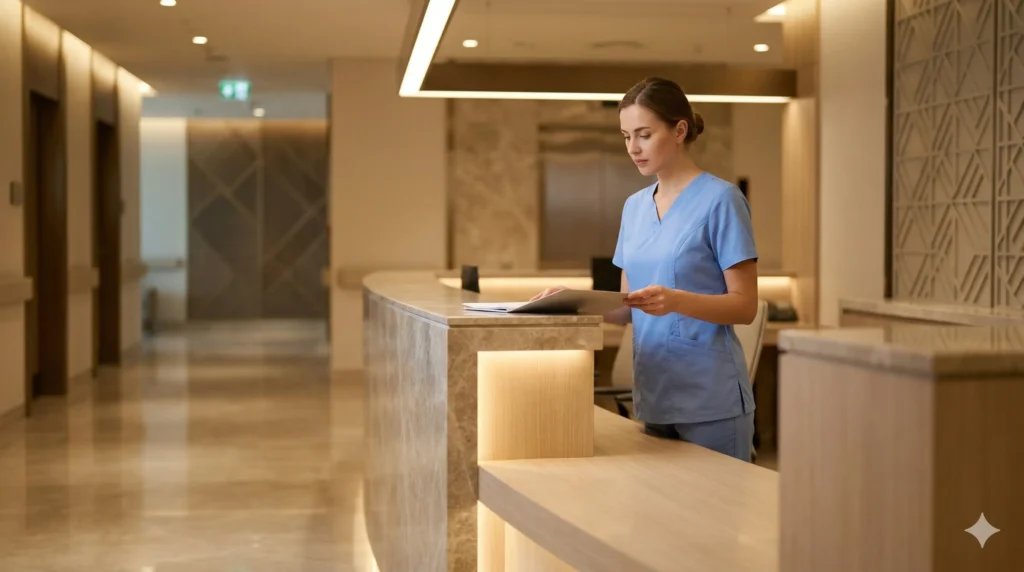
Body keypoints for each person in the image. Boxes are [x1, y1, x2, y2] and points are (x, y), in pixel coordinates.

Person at [531, 77, 760, 462]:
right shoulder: (634, 207)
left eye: (644, 134)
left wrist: (676, 301)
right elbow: (627, 308)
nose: (633, 148)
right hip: (654, 394)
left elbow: (745, 306)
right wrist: (571, 300)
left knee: (713, 520)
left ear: (679, 130)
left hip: (710, 399)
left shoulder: (722, 200)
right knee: (660, 519)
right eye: (625, 137)